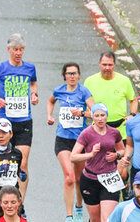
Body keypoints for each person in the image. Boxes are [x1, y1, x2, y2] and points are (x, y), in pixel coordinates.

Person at [0, 33, 39, 200]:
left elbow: (33, 84)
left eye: (21, 49)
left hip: (24, 122)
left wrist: (34, 95)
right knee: (3, 162)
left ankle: (20, 202)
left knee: (22, 163)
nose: (18, 52)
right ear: (8, 50)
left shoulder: (30, 68)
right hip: (4, 122)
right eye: (15, 49)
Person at [48, 63, 94, 222]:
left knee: (79, 178)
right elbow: (50, 101)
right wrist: (50, 115)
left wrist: (81, 112)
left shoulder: (84, 92)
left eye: (74, 73)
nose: (72, 76)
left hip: (80, 141)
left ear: (79, 75)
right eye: (69, 74)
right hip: (63, 140)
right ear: (65, 76)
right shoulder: (59, 90)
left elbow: (95, 112)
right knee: (69, 177)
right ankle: (69, 216)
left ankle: (79, 207)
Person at [71, 103, 125, 222]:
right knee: (95, 219)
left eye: (102, 115)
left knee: (107, 219)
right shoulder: (86, 133)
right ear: (93, 117)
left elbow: (122, 150)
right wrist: (90, 154)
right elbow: (73, 157)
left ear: (107, 116)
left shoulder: (114, 132)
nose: (100, 118)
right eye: (97, 116)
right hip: (90, 179)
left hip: (110, 178)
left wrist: (117, 155)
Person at [84, 51, 137, 138]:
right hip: (98, 130)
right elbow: (84, 102)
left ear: (114, 65)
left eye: (110, 65)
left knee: (120, 151)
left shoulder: (124, 81)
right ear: (99, 64)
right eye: (104, 65)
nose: (107, 68)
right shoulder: (89, 81)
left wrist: (132, 115)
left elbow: (133, 100)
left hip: (120, 130)